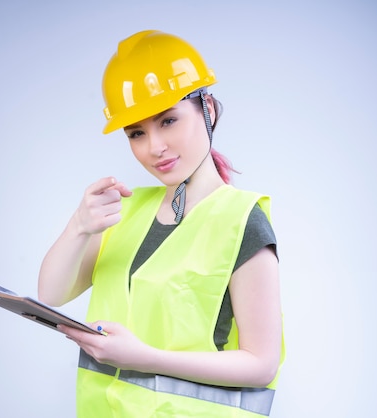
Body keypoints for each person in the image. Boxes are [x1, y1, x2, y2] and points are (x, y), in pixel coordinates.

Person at [38, 29, 285, 417]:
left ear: (209, 110)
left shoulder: (242, 222)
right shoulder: (128, 210)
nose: (154, 147)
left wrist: (145, 357)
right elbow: (51, 295)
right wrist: (79, 226)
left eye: (168, 121)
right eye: (137, 132)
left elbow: (261, 363)